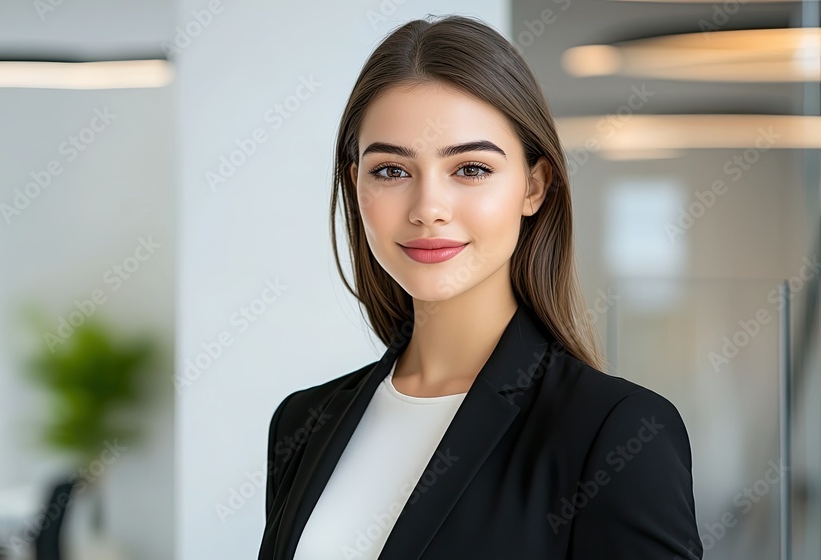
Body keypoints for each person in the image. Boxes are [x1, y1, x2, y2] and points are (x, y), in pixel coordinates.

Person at [258, 14, 702, 560]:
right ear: (355, 186)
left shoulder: (616, 432)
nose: (428, 209)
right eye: (391, 171)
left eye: (470, 169)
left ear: (534, 186)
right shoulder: (303, 422)